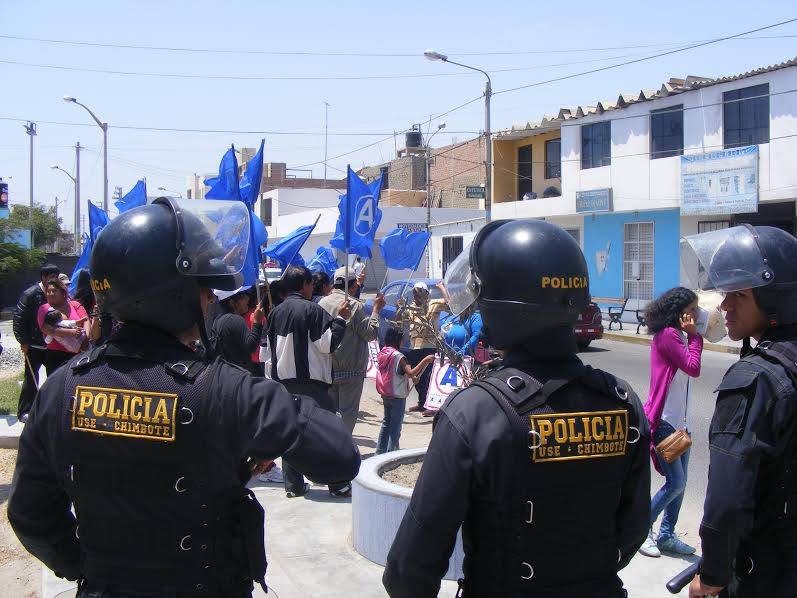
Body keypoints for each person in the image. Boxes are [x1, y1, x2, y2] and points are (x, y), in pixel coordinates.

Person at [8, 197, 360, 598]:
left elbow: (29, 514)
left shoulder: (61, 389)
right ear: (172, 295)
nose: (210, 299)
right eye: (203, 288)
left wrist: (87, 566)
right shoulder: (226, 390)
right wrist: (270, 410)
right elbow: (340, 457)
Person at [383, 219, 650, 598]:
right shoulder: (620, 401)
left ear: (502, 308)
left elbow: (409, 568)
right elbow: (633, 529)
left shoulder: (475, 411)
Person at [679, 226, 797, 598]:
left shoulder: (755, 378)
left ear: (775, 300)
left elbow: (728, 500)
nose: (725, 305)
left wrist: (712, 575)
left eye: (739, 295)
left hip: (766, 573)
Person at [266, 265, 354, 498]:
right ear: (305, 284)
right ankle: (338, 484)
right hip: (313, 385)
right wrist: (340, 320)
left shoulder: (275, 313)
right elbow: (327, 344)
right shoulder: (313, 311)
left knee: (290, 434)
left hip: (284, 384)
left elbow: (267, 354)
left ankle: (293, 486)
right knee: (328, 434)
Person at [637, 287, 703, 558]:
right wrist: (695, 337)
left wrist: (693, 335)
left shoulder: (680, 336)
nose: (697, 315)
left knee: (682, 482)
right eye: (693, 310)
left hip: (680, 424)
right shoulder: (668, 336)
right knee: (675, 483)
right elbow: (693, 368)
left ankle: (666, 535)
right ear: (680, 313)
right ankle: (643, 531)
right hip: (665, 421)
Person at [319, 266, 385, 434]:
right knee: (347, 417)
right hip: (351, 371)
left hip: (327, 369)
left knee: (329, 416)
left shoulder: (321, 303)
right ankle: (342, 450)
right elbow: (370, 334)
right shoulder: (355, 306)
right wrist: (376, 311)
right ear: (353, 286)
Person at [375, 327, 435, 454]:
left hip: (385, 393)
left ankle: (380, 451)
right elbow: (410, 372)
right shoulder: (399, 356)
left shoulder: (383, 352)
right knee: (395, 427)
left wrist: (412, 377)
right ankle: (391, 453)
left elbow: (396, 372)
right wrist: (425, 361)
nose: (404, 341)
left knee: (386, 423)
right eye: (402, 339)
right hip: (397, 395)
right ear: (398, 339)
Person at [12, 263, 60, 421]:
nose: (54, 281)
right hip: (34, 344)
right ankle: (25, 411)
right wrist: (23, 341)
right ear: (44, 278)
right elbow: (19, 318)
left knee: (54, 377)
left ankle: (51, 410)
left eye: (56, 277)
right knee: (31, 379)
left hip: (52, 345)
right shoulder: (31, 293)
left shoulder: (56, 292)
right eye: (52, 277)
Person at [405, 282, 445, 416]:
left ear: (426, 294)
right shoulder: (411, 307)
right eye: (415, 293)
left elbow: (450, 302)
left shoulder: (433, 304)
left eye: (419, 293)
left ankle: (432, 406)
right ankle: (422, 403)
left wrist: (441, 288)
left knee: (428, 377)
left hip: (429, 346)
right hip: (414, 346)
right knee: (416, 378)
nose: (416, 296)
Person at [206, 286, 264, 376]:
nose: (247, 298)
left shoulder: (219, 319)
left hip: (229, 374)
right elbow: (251, 346)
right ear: (232, 302)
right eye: (242, 296)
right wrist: (257, 322)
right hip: (240, 375)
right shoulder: (234, 319)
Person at [37, 279, 90, 373]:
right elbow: (46, 328)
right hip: (55, 356)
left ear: (63, 292)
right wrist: (70, 333)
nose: (51, 293)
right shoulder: (44, 308)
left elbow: (86, 321)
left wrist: (86, 338)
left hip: (78, 353)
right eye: (48, 291)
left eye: (54, 291)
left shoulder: (75, 305)